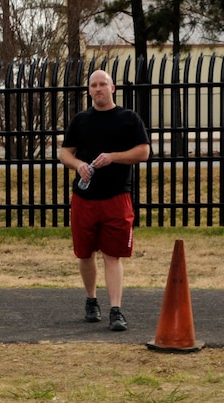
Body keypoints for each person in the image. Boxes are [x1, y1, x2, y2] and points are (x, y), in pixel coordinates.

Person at [59, 69, 150, 331]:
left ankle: (116, 309)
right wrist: (77, 165)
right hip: (84, 198)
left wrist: (112, 157)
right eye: (94, 85)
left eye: (103, 84)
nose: (98, 89)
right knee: (85, 254)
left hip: (117, 196)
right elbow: (65, 153)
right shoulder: (80, 120)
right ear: (89, 91)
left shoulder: (128, 119)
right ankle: (91, 300)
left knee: (113, 255)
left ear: (112, 88)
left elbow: (143, 152)